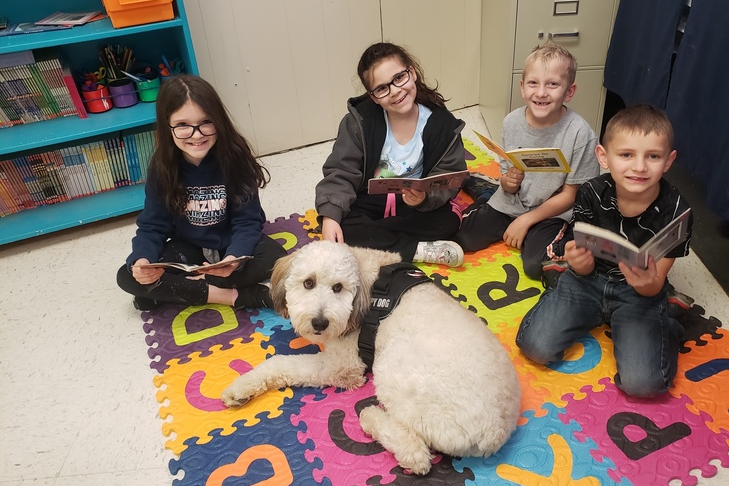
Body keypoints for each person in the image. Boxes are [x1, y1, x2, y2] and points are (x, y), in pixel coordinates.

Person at [515, 104, 692, 398]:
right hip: (588, 280)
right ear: (603, 156)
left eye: (653, 156)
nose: (639, 167)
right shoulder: (591, 192)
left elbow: (653, 283)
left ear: (669, 160)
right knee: (535, 347)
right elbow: (584, 261)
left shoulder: (677, 210)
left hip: (639, 294)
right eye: (626, 155)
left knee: (645, 385)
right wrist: (578, 264)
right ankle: (561, 274)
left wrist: (649, 286)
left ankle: (668, 317)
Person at [117, 74, 287, 311]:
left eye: (206, 122)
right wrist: (143, 261)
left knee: (277, 260)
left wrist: (233, 260)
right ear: (167, 127)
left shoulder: (236, 158)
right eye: (183, 125)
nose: (197, 135)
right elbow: (152, 226)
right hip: (189, 249)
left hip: (231, 244)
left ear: (219, 121)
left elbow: (248, 221)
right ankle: (238, 296)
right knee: (127, 276)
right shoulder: (161, 167)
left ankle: (178, 291)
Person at [455, 43, 599, 280]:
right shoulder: (512, 122)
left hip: (552, 212)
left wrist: (526, 220)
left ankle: (486, 191)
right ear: (522, 88)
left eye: (552, 84)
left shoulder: (580, 134)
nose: (541, 93)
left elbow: (570, 196)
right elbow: (507, 179)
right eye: (533, 83)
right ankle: (486, 190)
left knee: (537, 266)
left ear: (569, 92)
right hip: (513, 200)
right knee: (463, 238)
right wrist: (508, 183)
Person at [314, 42, 467, 267]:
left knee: (448, 221)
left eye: (399, 78)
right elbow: (341, 170)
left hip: (413, 204)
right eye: (382, 88)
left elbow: (449, 176)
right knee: (340, 223)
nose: (395, 91)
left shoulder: (442, 126)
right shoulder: (360, 123)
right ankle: (418, 250)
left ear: (412, 73)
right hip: (369, 201)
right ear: (374, 97)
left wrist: (425, 199)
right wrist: (329, 217)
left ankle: (380, 242)